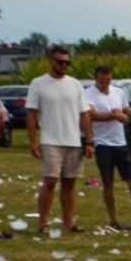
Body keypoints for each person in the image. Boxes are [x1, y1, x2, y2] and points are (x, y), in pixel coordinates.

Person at [26, 46, 94, 235]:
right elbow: (31, 114)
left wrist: (89, 141)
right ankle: (44, 224)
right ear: (51, 61)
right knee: (50, 182)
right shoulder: (38, 83)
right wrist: (33, 142)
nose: (63, 65)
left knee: (69, 184)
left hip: (73, 141)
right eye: (59, 62)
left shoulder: (75, 85)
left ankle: (69, 224)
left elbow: (85, 115)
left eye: (67, 62)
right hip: (50, 140)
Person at [85, 66, 131, 232]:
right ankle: (113, 220)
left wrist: (127, 113)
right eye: (102, 82)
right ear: (96, 79)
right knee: (108, 183)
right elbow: (91, 115)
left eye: (108, 81)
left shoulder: (118, 92)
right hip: (103, 144)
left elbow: (126, 110)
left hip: (121, 143)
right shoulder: (88, 94)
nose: (105, 85)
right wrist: (113, 115)